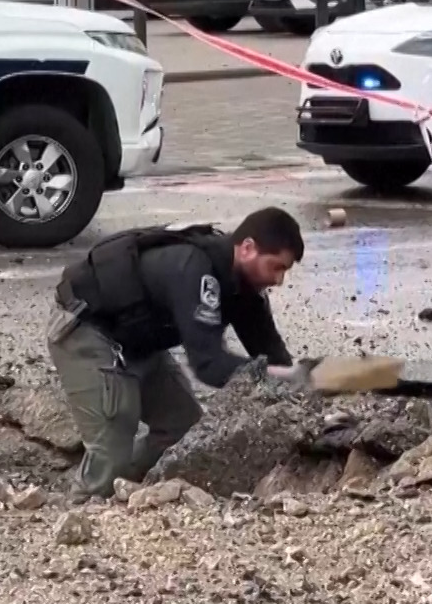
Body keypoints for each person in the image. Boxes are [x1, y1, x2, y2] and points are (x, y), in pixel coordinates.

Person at [47, 208, 304, 497]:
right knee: (113, 438)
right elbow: (209, 364)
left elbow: (270, 351)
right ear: (248, 248)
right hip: (88, 330)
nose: (279, 280)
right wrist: (275, 374)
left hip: (139, 340)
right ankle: (84, 504)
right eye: (277, 267)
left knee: (182, 428)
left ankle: (118, 484)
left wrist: (302, 384)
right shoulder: (194, 269)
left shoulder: (242, 286)